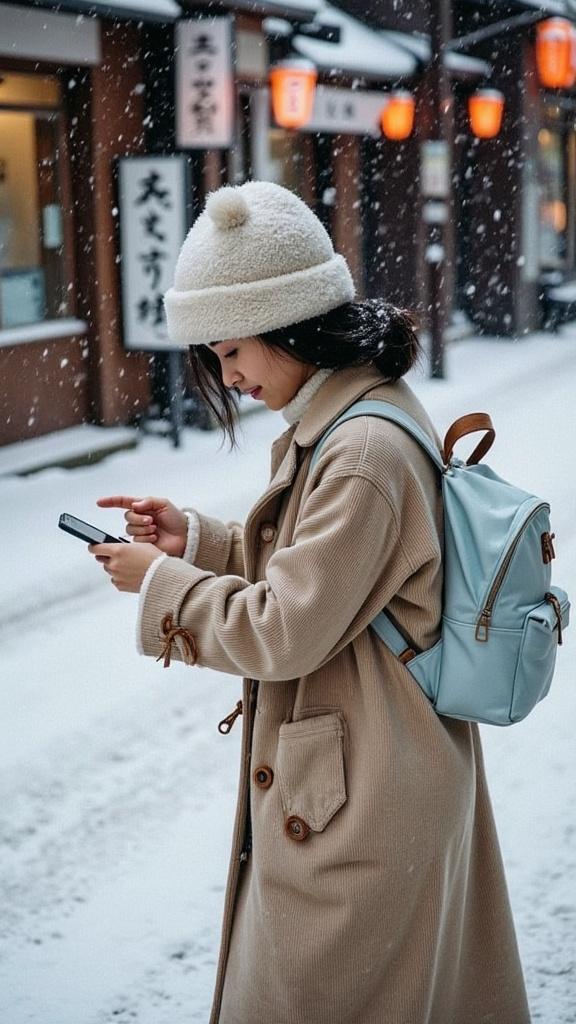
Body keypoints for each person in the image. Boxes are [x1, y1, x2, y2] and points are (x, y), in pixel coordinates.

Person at [90, 180, 531, 1023]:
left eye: (233, 351)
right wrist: (202, 542)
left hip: (365, 804)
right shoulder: (345, 418)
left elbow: (286, 629)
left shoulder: (360, 448)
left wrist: (158, 583)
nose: (231, 375)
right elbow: (332, 579)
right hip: (367, 774)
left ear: (289, 319)